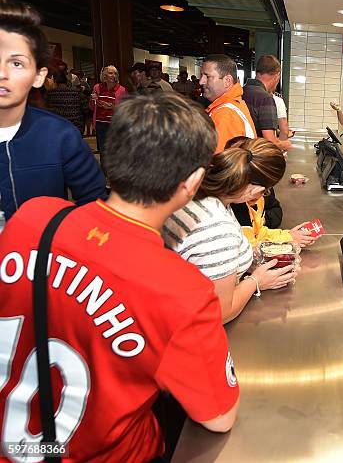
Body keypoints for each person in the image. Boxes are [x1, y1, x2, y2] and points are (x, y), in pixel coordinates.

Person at [0, 91, 240, 460]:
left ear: (109, 160)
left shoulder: (33, 219)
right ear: (192, 183)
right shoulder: (181, 290)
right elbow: (219, 417)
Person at [164, 137, 299, 325]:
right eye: (265, 191)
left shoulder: (199, 189)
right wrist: (256, 281)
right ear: (257, 190)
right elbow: (219, 312)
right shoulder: (217, 226)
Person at [0, 0, 105, 226]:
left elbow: (97, 208)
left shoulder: (59, 136)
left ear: (39, 76)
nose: (2, 73)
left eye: (16, 63)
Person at [200, 54, 256, 153]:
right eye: (201, 76)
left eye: (207, 76)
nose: (201, 81)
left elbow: (218, 163)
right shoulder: (234, 105)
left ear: (227, 81)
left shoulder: (224, 115)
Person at [243, 55, 291, 151]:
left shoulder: (242, 90)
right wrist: (284, 144)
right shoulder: (265, 98)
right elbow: (269, 141)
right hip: (256, 154)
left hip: (241, 150)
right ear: (277, 76)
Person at [90, 64, 127, 154]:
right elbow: (91, 107)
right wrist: (93, 100)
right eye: (110, 73)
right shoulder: (97, 87)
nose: (113, 75)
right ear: (104, 75)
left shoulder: (121, 90)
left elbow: (125, 109)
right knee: (103, 151)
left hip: (114, 123)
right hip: (100, 123)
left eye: (115, 73)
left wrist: (113, 107)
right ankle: (105, 168)